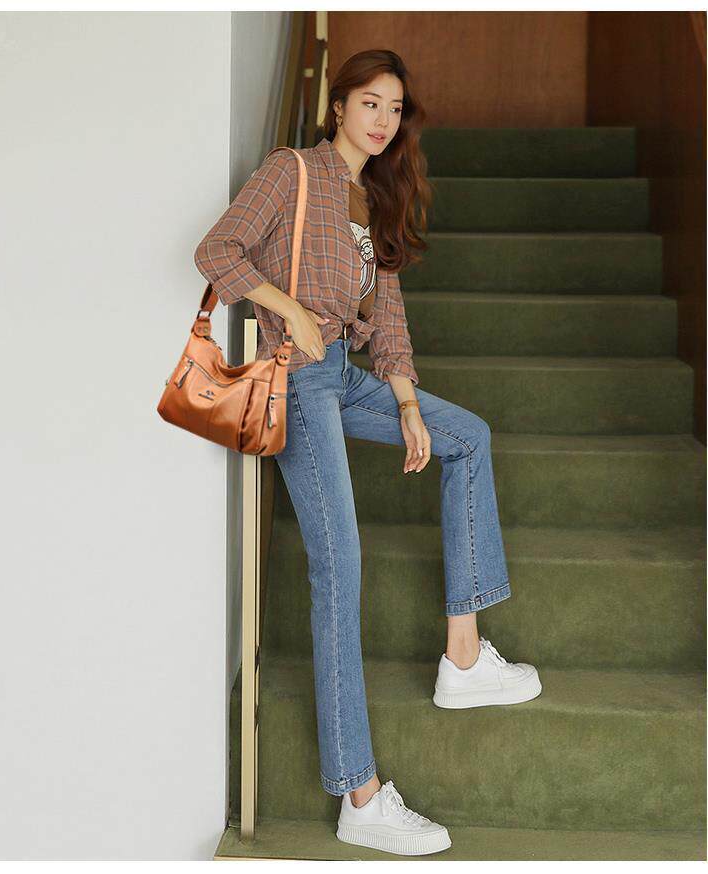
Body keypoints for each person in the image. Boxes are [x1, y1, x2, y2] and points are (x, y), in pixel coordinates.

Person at [194, 48, 542, 858]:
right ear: (338, 105)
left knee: (467, 437)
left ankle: (463, 658)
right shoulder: (292, 172)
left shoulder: (376, 198)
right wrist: (290, 311)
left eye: (395, 108)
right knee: (340, 571)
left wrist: (410, 407)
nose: (383, 119)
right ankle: (360, 795)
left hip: (346, 379)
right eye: (370, 103)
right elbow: (217, 252)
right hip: (297, 382)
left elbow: (390, 324)